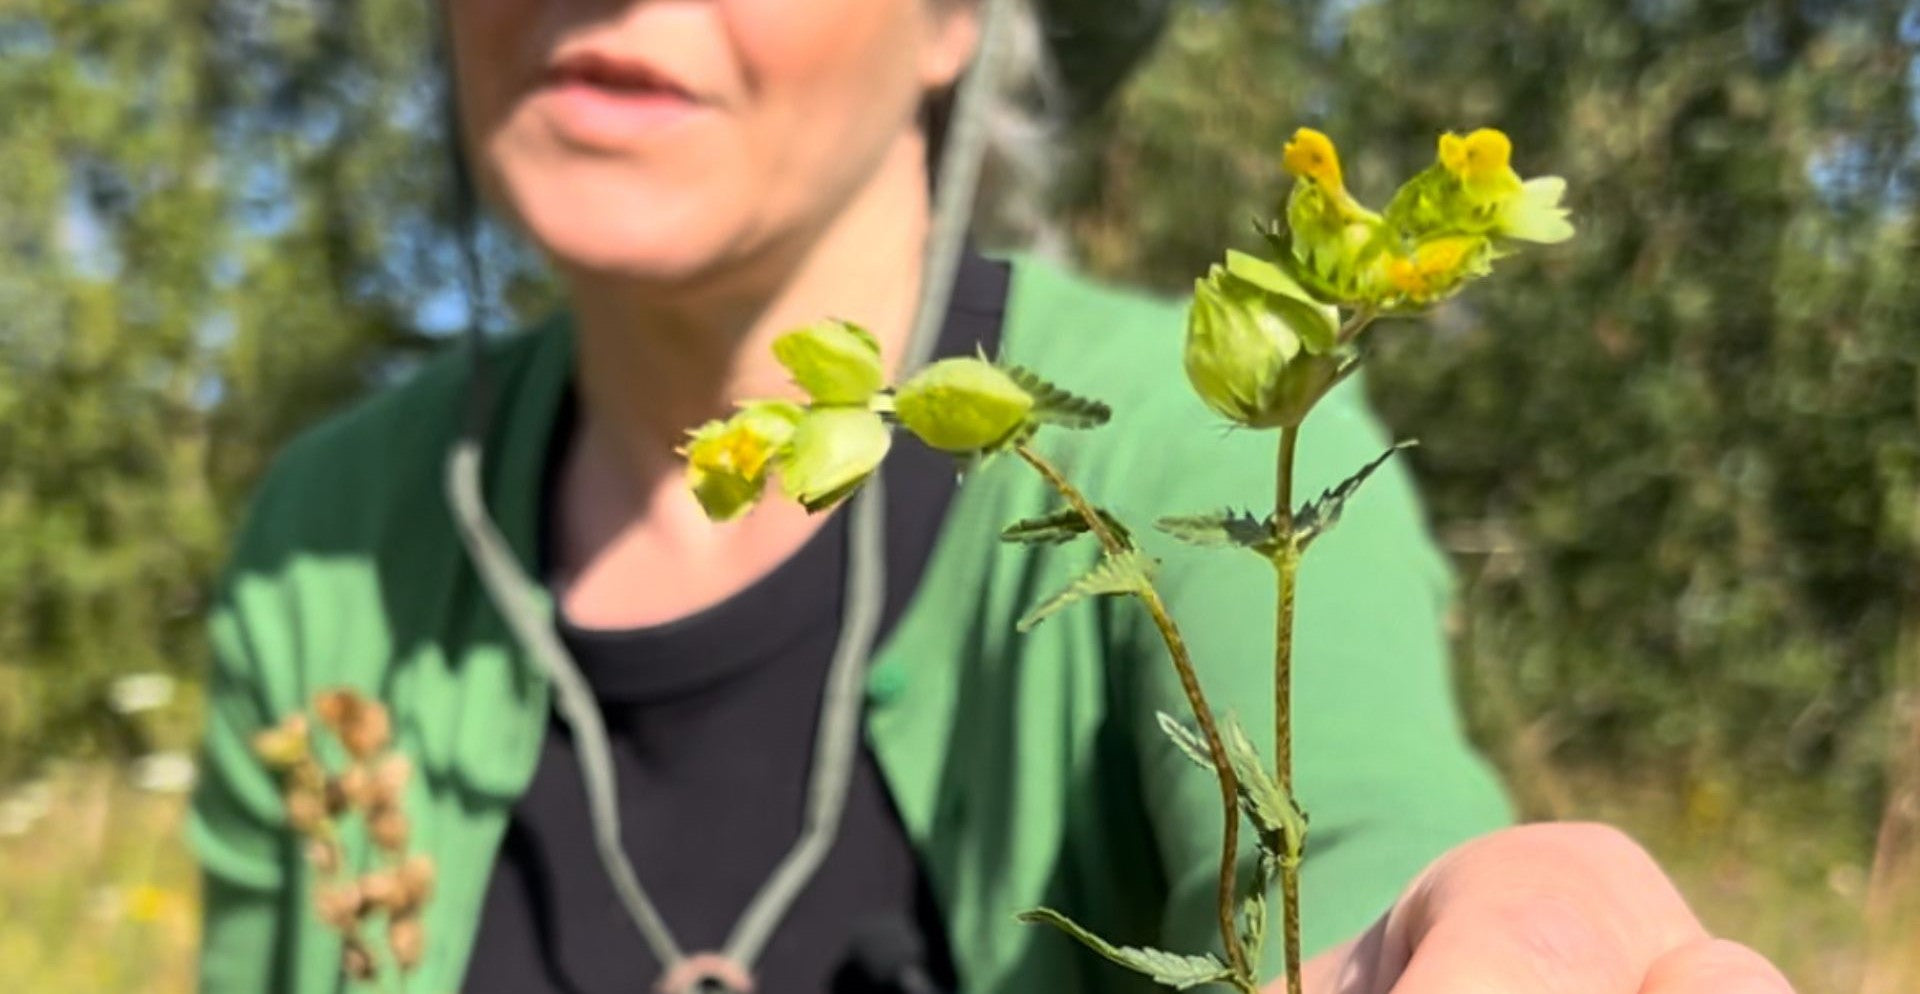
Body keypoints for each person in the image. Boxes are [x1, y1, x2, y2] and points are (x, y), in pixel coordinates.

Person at [189, 1, 1799, 992]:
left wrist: (1477, 924)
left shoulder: (1214, 429)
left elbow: (1371, 848)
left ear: (958, 18)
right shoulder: (332, 536)